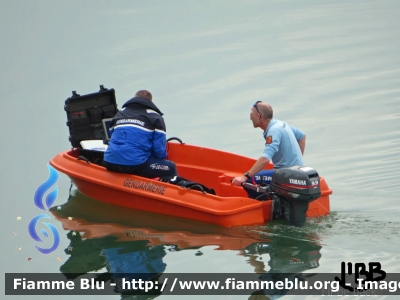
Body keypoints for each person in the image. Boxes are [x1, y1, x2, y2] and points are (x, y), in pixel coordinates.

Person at [103, 90, 178, 179]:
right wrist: (161, 158)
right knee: (171, 167)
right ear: (150, 102)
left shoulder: (119, 114)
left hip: (109, 162)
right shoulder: (156, 117)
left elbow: (112, 137)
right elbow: (159, 150)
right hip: (135, 165)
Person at [232, 101, 305, 187]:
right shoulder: (281, 124)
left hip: (287, 174)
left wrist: (245, 176)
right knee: (258, 174)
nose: (250, 117)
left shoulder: (273, 131)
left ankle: (263, 200)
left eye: (252, 113)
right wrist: (297, 163)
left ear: (259, 116)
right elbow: (302, 136)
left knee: (249, 179)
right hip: (296, 171)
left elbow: (266, 158)